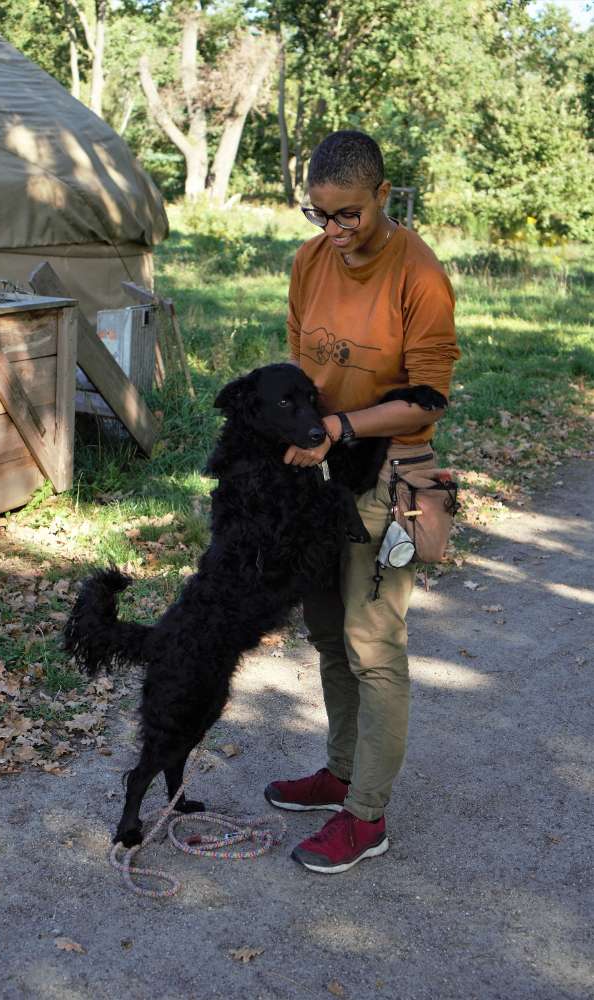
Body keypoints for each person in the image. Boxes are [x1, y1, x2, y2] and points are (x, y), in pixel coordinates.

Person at [264, 130, 459, 874]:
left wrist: (343, 426)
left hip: (390, 478)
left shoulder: (420, 275)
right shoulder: (310, 261)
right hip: (317, 477)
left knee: (374, 647)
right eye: (320, 215)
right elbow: (299, 367)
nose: (336, 232)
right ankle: (339, 773)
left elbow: (427, 396)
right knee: (326, 634)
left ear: (382, 195)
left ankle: (366, 815)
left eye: (349, 214)